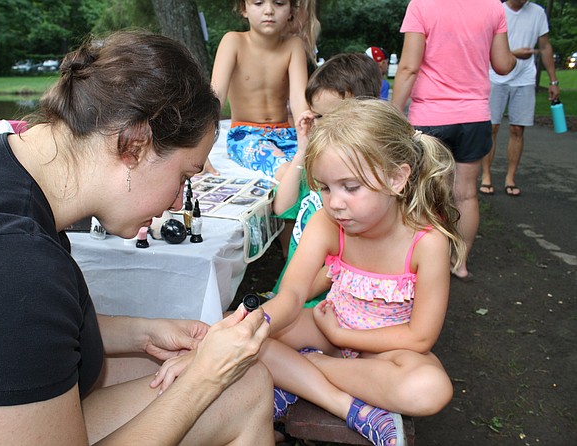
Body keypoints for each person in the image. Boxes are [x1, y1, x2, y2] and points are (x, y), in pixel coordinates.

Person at [0, 31, 275, 446]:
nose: (176, 202)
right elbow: (7, 310)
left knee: (241, 380)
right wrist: (207, 379)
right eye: (184, 177)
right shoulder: (6, 265)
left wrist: (141, 333)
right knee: (230, 387)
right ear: (133, 146)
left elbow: (9, 340)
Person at [154, 99, 467, 446]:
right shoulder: (328, 223)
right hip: (323, 326)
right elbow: (290, 297)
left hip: (386, 349)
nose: (334, 202)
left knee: (430, 389)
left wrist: (343, 337)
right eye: (326, 187)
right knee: (242, 330)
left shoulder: (427, 242)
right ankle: (356, 409)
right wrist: (224, 342)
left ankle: (299, 374)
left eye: (351, 187)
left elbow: (419, 338)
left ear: (397, 178)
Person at [391, 0, 517, 281]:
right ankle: (459, 262)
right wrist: (515, 58)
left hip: (430, 115)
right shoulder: (494, 7)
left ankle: (416, 261)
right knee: (466, 194)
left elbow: (409, 67)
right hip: (474, 116)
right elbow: (502, 64)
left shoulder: (422, 5)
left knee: (421, 191)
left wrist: (394, 113)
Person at [272, 52, 382, 304]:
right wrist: (302, 149)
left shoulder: (365, 178)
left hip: (326, 299)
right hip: (294, 289)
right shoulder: (317, 163)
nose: (318, 125)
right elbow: (282, 207)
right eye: (316, 115)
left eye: (328, 117)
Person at [211, 0, 319, 177]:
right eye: (258, 3)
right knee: (287, 170)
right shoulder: (233, 42)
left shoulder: (294, 45)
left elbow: (299, 99)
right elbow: (216, 97)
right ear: (243, 9)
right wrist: (199, 147)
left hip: (285, 132)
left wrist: (308, 136)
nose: (269, 11)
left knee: (315, 166)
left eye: (279, 3)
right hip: (245, 134)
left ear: (291, 10)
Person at [480, 0, 560, 197]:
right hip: (495, 76)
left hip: (524, 78)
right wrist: (512, 53)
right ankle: (486, 176)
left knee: (517, 129)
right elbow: (484, 45)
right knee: (491, 127)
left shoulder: (538, 13)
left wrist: (553, 81)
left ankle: (510, 178)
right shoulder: (496, 10)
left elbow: (545, 46)